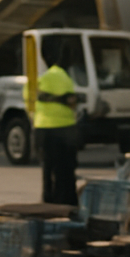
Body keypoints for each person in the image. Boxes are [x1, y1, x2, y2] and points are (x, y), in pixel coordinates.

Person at [34, 41, 80, 205]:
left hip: (44, 128)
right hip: (65, 129)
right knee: (66, 172)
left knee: (48, 171)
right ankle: (66, 203)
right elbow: (72, 101)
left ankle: (48, 202)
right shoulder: (64, 77)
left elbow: (30, 99)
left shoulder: (42, 78)